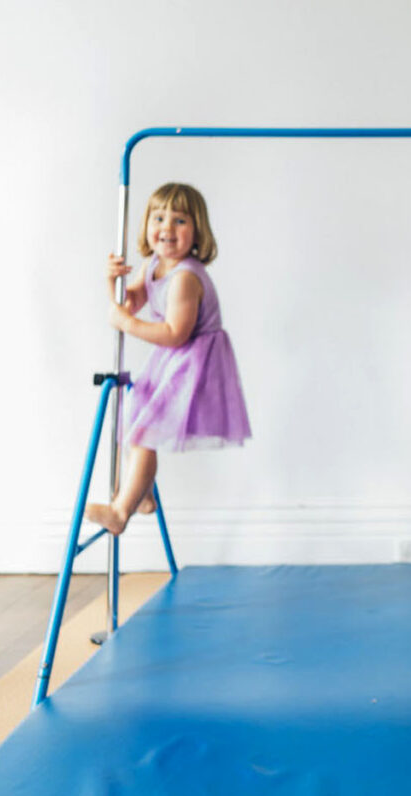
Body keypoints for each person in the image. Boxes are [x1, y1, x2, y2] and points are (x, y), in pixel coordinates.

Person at [86, 183, 251, 535]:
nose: (167, 228)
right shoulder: (153, 265)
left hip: (195, 361)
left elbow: (176, 331)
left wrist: (127, 324)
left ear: (197, 232)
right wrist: (111, 281)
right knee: (132, 419)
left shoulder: (186, 278)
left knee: (143, 432)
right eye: (159, 218)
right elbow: (128, 304)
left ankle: (120, 511)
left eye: (179, 221)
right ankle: (141, 494)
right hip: (171, 359)